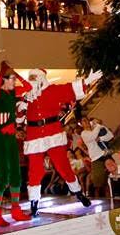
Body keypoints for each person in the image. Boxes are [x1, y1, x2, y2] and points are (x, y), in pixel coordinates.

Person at [23, 68, 100, 216]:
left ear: (42, 78)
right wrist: (23, 104)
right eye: (31, 78)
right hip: (34, 135)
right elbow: (19, 117)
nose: (33, 81)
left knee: (63, 166)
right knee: (35, 170)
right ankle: (34, 202)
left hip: (53, 132)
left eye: (35, 78)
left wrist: (87, 81)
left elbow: (70, 88)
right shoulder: (27, 95)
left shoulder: (53, 90)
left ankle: (78, 193)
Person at [0, 62, 32, 227]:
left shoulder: (12, 93)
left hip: (11, 138)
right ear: (4, 80)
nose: (14, 81)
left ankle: (16, 210)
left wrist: (16, 74)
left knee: (16, 175)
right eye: (11, 79)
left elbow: (28, 87)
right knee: (4, 176)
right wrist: (3, 71)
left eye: (14, 79)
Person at [80, 117, 114, 198]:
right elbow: (93, 136)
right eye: (84, 121)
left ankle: (110, 201)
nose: (86, 121)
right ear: (81, 125)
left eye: (87, 120)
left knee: (108, 183)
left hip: (106, 156)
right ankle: (97, 202)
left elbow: (110, 135)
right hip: (96, 159)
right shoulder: (84, 133)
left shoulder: (96, 128)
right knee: (98, 185)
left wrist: (101, 137)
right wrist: (98, 126)